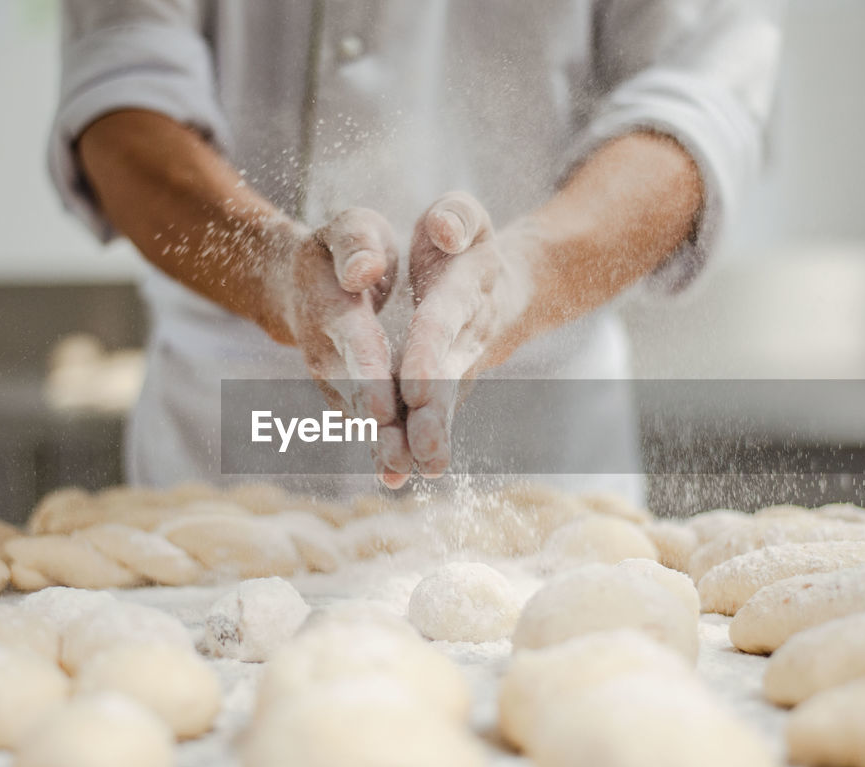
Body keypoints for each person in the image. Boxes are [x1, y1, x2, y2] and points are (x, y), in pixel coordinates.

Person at [49, 0, 783, 499]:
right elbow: (122, 81)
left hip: (541, 444)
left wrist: (524, 278)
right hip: (226, 435)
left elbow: (700, 92)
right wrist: (270, 270)